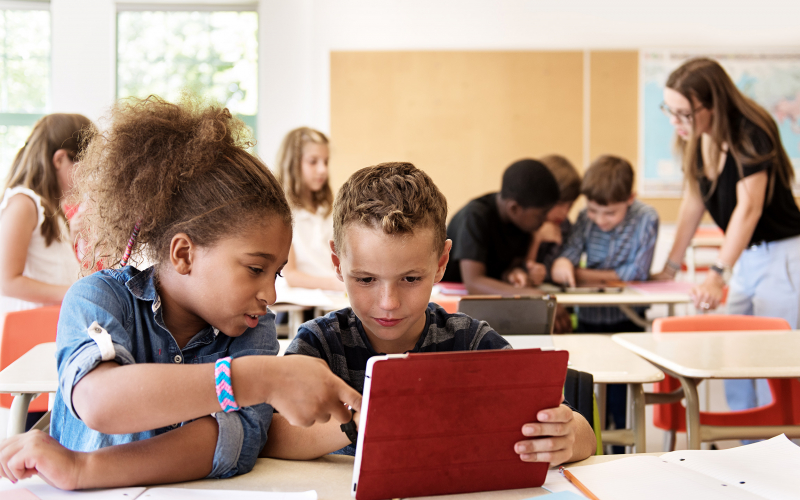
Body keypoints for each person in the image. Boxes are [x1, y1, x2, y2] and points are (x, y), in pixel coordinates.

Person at [0, 97, 361, 490]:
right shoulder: (97, 299)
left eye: (276, 274)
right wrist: (259, 378)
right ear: (184, 254)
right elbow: (101, 402)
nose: (270, 295)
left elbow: (228, 442)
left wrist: (86, 470)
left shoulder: (253, 331)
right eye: (256, 270)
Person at [263, 162, 596, 465]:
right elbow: (271, 435)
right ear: (337, 263)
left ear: (440, 263)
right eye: (365, 279)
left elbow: (583, 434)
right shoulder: (318, 345)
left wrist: (567, 438)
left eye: (410, 279)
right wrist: (360, 423)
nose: (388, 302)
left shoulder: (470, 342)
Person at [651, 57, 800, 413]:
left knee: (772, 361)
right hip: (748, 256)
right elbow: (694, 201)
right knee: (733, 353)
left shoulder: (751, 130)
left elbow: (749, 208)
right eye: (669, 111)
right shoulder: (698, 137)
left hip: (783, 255)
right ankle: (746, 445)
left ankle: (783, 450)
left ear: (712, 104)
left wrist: (717, 275)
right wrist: (670, 267)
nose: (675, 122)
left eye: (683, 113)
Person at [550, 155, 658, 449]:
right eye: (594, 210)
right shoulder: (585, 217)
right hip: (588, 321)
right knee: (587, 393)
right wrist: (567, 265)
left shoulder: (647, 218)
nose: (600, 219)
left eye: (609, 213)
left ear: (630, 199)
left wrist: (582, 273)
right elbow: (565, 261)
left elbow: (635, 274)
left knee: (622, 400)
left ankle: (620, 454)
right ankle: (591, 451)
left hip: (628, 323)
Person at [442, 159, 571, 332]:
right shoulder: (476, 216)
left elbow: (507, 268)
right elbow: (474, 281)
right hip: (453, 311)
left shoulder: (524, 224)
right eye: (541, 214)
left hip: (492, 309)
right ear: (514, 208)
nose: (546, 219)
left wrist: (515, 273)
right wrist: (537, 297)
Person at [0, 114, 90, 319]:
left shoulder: (54, 210)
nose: (86, 180)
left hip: (51, 324)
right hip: (26, 330)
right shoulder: (24, 203)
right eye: (85, 169)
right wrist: (77, 292)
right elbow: (7, 282)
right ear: (60, 159)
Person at [275, 127, 342, 292]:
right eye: (313, 162)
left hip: (332, 300)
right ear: (293, 164)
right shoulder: (281, 212)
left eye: (325, 162)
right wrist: (337, 284)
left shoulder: (326, 210)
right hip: (300, 307)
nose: (323, 170)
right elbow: (290, 275)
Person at [507, 154, 582, 287]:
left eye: (569, 206)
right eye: (559, 204)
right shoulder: (521, 222)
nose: (564, 213)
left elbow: (554, 275)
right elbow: (515, 273)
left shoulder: (564, 226)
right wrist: (536, 240)